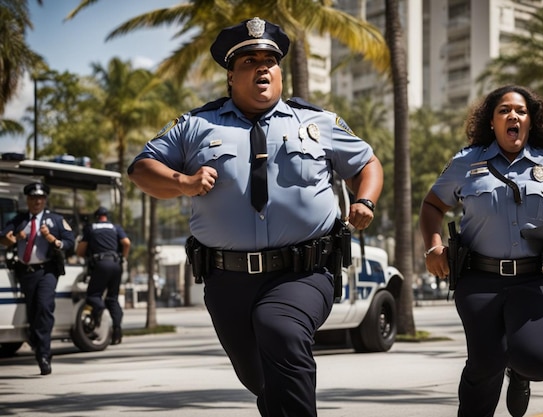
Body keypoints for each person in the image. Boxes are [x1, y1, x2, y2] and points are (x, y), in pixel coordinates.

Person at [127, 17, 383, 417]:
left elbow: (367, 162)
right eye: (249, 61)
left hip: (303, 271)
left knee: (279, 329)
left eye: (270, 60)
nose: (262, 67)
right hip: (226, 279)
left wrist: (364, 201)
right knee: (260, 379)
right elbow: (141, 168)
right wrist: (183, 181)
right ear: (231, 75)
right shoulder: (196, 125)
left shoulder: (316, 122)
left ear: (280, 71)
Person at [419, 85, 543, 417]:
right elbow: (432, 205)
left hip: (537, 280)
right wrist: (433, 246)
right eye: (503, 110)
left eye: (520, 111)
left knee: (537, 362)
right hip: (480, 281)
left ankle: (519, 373)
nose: (512, 116)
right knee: (485, 363)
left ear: (531, 121)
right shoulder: (466, 161)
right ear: (492, 122)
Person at [0, 182, 75, 375]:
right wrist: (13, 238)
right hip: (26, 272)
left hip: (47, 271)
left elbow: (70, 242)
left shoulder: (55, 220)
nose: (37, 201)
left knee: (44, 306)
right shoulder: (20, 219)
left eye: (40, 198)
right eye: (33, 198)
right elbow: (3, 237)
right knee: (34, 311)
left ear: (45, 200)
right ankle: (37, 340)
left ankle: (43, 354)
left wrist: (53, 240)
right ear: (27, 199)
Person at [76, 206, 131, 345]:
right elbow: (126, 243)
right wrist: (122, 257)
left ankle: (100, 310)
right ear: (107, 216)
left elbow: (80, 251)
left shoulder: (91, 228)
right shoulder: (115, 227)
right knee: (112, 299)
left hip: (100, 264)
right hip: (115, 264)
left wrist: (86, 254)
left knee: (93, 296)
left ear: (96, 217)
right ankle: (117, 329)